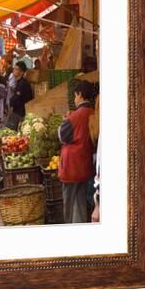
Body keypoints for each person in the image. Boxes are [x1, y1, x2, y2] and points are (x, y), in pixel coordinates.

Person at [57, 80, 96, 223]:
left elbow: (62, 135)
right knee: (80, 203)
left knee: (69, 204)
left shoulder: (75, 116)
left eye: (75, 95)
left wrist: (64, 121)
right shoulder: (94, 113)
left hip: (71, 167)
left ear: (79, 94)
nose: (74, 99)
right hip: (86, 166)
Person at [6, 61, 34, 130]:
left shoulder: (22, 84)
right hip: (18, 112)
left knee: (9, 130)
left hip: (20, 113)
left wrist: (11, 103)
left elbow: (16, 98)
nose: (14, 70)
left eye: (16, 69)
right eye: (14, 68)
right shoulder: (19, 82)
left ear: (21, 72)